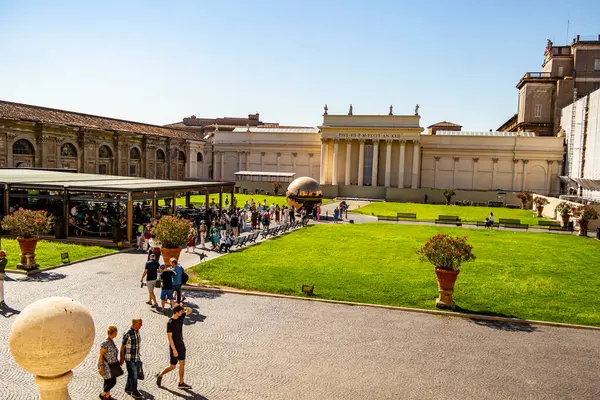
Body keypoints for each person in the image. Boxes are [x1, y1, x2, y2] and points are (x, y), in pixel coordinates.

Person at [156, 305, 193, 389]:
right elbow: (170, 338)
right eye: (180, 311)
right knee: (173, 366)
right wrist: (174, 350)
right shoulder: (170, 323)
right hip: (174, 346)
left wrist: (184, 308)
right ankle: (160, 375)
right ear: (176, 312)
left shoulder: (181, 317)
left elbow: (190, 310)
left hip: (181, 345)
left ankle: (181, 383)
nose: (182, 313)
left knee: (182, 364)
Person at [120, 318, 144, 399]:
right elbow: (122, 347)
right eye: (140, 323)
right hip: (129, 358)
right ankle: (134, 391)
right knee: (134, 375)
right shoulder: (128, 333)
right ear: (135, 324)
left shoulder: (137, 331)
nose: (141, 325)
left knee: (131, 373)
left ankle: (128, 388)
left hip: (136, 357)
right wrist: (122, 358)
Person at [98, 325, 121, 400]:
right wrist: (101, 367)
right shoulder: (105, 343)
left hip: (112, 365)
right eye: (116, 332)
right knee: (112, 382)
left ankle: (107, 396)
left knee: (107, 381)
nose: (117, 333)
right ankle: (102, 394)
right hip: (106, 365)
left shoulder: (111, 341)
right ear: (113, 333)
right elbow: (100, 355)